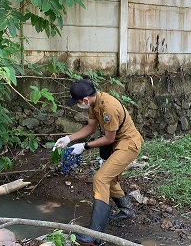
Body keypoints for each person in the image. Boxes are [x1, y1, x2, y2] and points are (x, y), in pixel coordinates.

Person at [53, 79, 143, 245]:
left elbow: (109, 138)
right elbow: (91, 127)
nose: (78, 104)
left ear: (85, 100)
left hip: (129, 144)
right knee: (110, 179)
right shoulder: (95, 104)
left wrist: (84, 146)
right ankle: (127, 211)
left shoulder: (108, 106)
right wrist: (69, 138)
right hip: (117, 143)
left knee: (101, 178)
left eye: (78, 102)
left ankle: (95, 236)